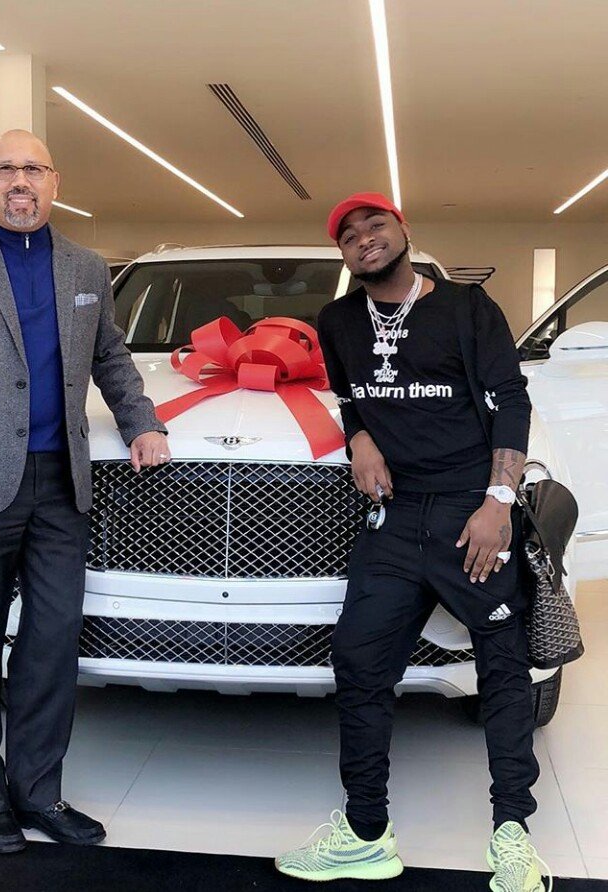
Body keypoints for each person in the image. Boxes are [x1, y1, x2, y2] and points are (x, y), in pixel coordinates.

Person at [0, 130, 170, 854]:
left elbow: (109, 355)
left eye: (34, 169)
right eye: (6, 169)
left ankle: (39, 791)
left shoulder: (84, 265)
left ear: (55, 181)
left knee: (50, 646)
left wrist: (143, 421)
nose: (21, 181)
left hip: (62, 487)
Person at [275, 192, 549, 891]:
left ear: (403, 232)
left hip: (471, 514)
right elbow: (347, 397)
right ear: (344, 254)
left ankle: (513, 833)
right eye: (349, 235)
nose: (363, 239)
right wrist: (360, 438)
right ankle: (367, 834)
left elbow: (510, 400)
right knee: (359, 662)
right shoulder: (337, 320)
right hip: (393, 519)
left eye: (375, 225)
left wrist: (498, 501)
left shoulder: (465, 309)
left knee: (502, 663)